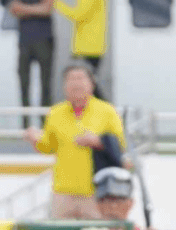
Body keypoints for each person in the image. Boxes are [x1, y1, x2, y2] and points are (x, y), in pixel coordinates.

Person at [24, 63, 125, 219]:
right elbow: (49, 147)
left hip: (96, 191)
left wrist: (97, 141)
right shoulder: (55, 113)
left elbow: (120, 145)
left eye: (80, 78)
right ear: (64, 86)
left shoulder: (107, 111)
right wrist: (34, 139)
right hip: (63, 191)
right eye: (71, 79)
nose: (76, 83)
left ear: (92, 84)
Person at [3, 0, 60, 123]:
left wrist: (25, 8)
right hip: (24, 39)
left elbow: (48, 9)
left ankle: (46, 125)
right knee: (24, 83)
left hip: (45, 38)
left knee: (45, 84)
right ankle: (25, 124)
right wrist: (38, 7)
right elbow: (13, 9)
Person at [50, 0, 107, 97]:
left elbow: (79, 15)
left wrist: (56, 2)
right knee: (89, 89)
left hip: (89, 48)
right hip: (87, 46)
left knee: (89, 89)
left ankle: (111, 116)